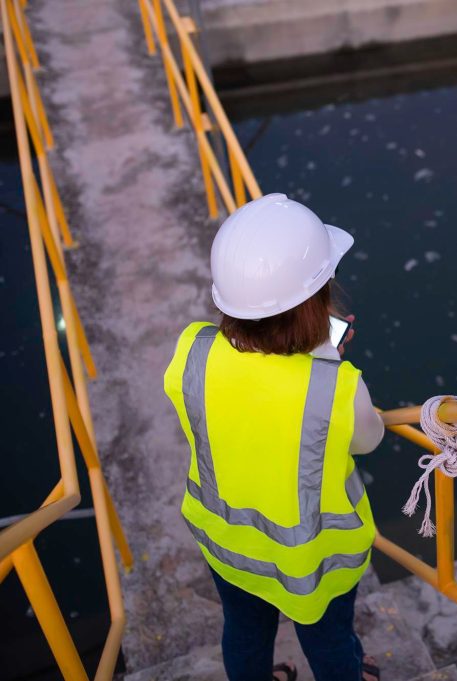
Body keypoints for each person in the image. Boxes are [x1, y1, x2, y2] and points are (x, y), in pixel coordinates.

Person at [164, 194, 385, 681]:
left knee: (243, 634)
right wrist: (326, 359)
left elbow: (243, 403)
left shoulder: (192, 352)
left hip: (226, 545)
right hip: (313, 560)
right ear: (318, 301)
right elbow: (368, 439)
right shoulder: (337, 389)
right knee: (328, 642)